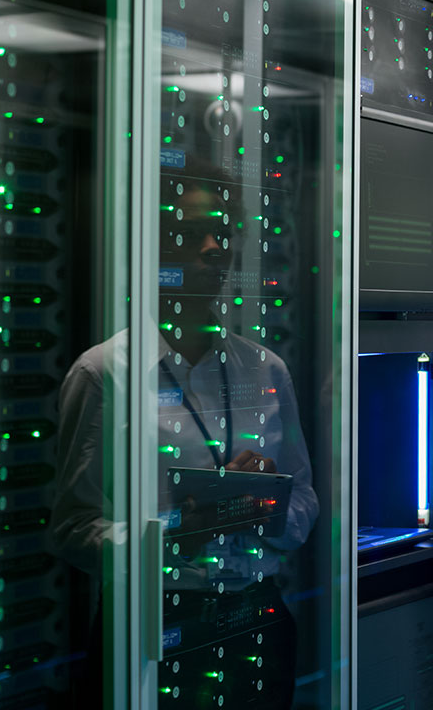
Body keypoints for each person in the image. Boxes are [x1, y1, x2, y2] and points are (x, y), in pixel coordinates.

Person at [48, 163, 318, 708]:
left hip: (258, 615)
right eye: (193, 234)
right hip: (155, 621)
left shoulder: (265, 369)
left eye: (223, 232)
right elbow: (71, 529)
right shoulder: (104, 373)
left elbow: (306, 503)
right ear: (153, 249)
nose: (216, 247)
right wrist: (174, 532)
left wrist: (270, 502)